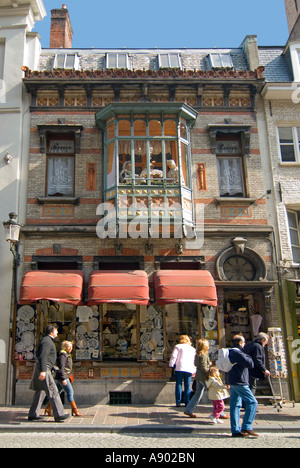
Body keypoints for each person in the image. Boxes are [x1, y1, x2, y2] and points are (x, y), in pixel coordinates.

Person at [28, 324, 69, 423]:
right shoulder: (47, 341)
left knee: (40, 391)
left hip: (44, 368)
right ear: (51, 332)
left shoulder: (47, 340)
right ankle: (59, 414)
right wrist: (43, 371)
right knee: (53, 390)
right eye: (56, 331)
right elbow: (43, 356)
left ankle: (33, 414)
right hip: (44, 368)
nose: (57, 332)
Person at [228, 335, 258, 438]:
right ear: (240, 343)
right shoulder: (237, 353)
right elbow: (250, 363)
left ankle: (235, 430)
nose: (244, 344)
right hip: (240, 381)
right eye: (243, 342)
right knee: (252, 402)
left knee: (235, 405)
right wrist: (248, 354)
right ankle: (247, 426)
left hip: (233, 380)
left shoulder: (230, 352)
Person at [184, 338, 210, 418]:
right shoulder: (204, 355)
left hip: (198, 376)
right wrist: (210, 370)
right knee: (213, 393)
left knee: (198, 394)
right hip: (204, 377)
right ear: (205, 346)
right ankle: (220, 412)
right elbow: (203, 367)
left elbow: (196, 364)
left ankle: (189, 409)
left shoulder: (198, 354)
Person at [56, 341, 83, 417]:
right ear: (65, 347)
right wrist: (64, 378)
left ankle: (48, 408)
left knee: (56, 392)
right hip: (63, 377)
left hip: (64, 376)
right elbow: (61, 367)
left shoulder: (67, 354)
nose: (71, 348)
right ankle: (75, 410)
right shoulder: (63, 355)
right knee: (70, 392)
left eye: (71, 346)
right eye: (69, 346)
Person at [169, 335, 196, 407]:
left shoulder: (178, 346)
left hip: (180, 367)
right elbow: (194, 360)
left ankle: (178, 402)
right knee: (188, 385)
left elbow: (174, 356)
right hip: (189, 368)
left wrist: (171, 364)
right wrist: (194, 370)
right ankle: (187, 402)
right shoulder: (192, 349)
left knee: (178, 384)